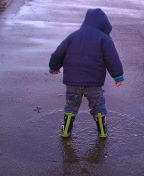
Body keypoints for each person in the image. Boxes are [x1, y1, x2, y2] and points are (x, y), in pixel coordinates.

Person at [49, 8, 124, 138]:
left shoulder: (73, 36)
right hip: (94, 83)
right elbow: (112, 58)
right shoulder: (104, 39)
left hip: (73, 81)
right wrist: (118, 76)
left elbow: (58, 53)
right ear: (104, 24)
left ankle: (66, 130)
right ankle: (102, 131)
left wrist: (53, 67)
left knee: (71, 106)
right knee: (97, 105)